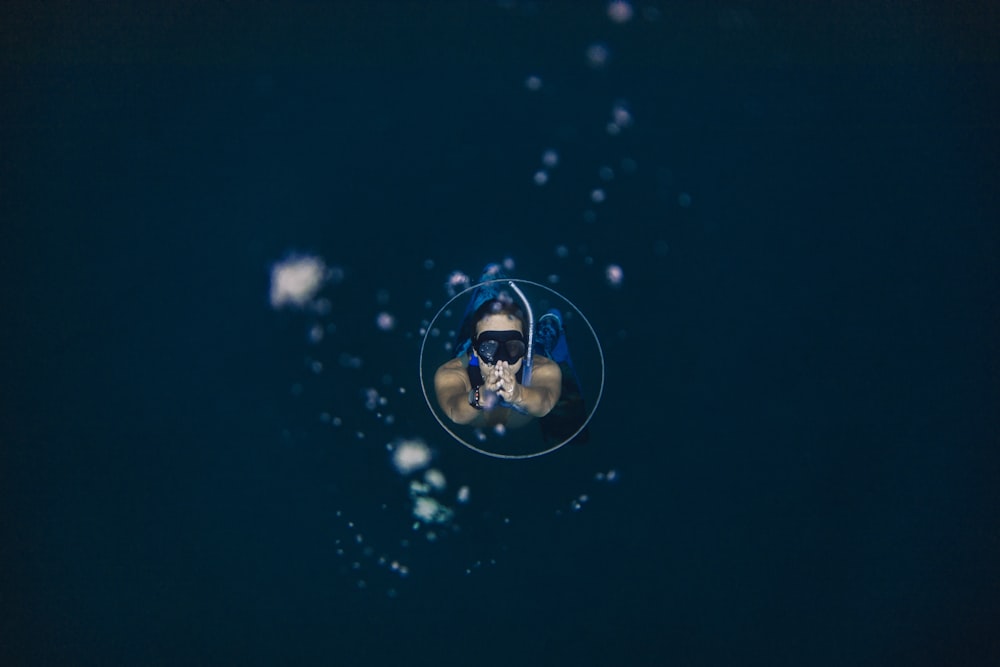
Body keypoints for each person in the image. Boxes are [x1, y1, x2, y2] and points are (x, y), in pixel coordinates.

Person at [434, 297, 563, 429]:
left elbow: (546, 403)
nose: (501, 361)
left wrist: (519, 394)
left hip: (532, 357)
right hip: (470, 355)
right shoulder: (454, 371)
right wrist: (482, 396)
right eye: (489, 347)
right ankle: (485, 294)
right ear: (476, 350)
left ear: (524, 348)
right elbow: (454, 411)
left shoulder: (543, 367)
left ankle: (544, 334)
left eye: (513, 347)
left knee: (542, 347)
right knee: (463, 344)